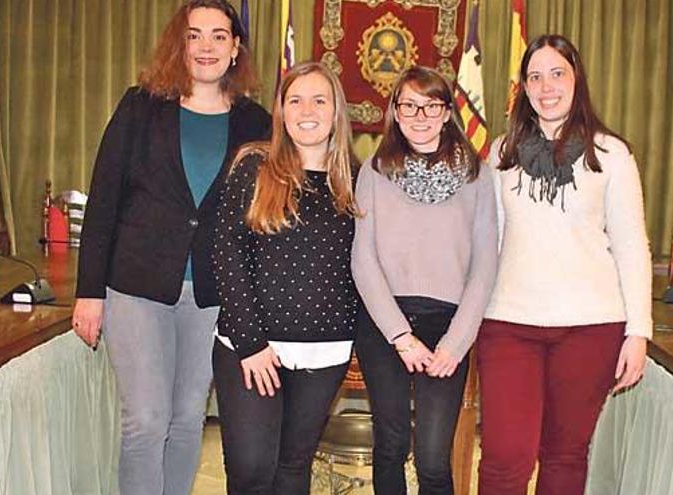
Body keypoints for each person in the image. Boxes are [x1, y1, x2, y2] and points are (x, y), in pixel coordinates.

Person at [71, 1, 270, 493]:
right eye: (194, 35)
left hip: (211, 294)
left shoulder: (257, 123)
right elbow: (103, 202)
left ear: (235, 47)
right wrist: (88, 291)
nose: (206, 47)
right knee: (146, 420)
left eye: (218, 36)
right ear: (178, 44)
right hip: (137, 287)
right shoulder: (140, 106)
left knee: (186, 420)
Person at [478, 34, 652, 495]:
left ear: (577, 80)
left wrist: (639, 330)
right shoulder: (500, 155)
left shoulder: (612, 154)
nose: (546, 85)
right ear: (523, 87)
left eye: (558, 73)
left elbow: (632, 244)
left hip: (591, 327)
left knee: (565, 457)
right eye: (535, 76)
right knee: (504, 458)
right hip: (508, 324)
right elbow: (487, 242)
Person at [211, 61, 360, 495]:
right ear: (281, 111)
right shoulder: (253, 166)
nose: (306, 109)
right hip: (254, 348)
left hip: (325, 351)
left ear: (336, 112)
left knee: (293, 469)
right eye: (295, 100)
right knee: (252, 468)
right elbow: (226, 253)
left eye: (319, 100)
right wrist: (252, 343)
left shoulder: (357, 179)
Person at [351, 65, 498, 494]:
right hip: (385, 324)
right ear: (395, 112)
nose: (420, 115)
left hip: (447, 328)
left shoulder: (476, 175)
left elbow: (485, 265)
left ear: (447, 111)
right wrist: (400, 335)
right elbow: (363, 259)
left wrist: (454, 344)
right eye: (409, 105)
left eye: (430, 105)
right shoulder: (375, 171)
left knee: (434, 457)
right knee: (391, 445)